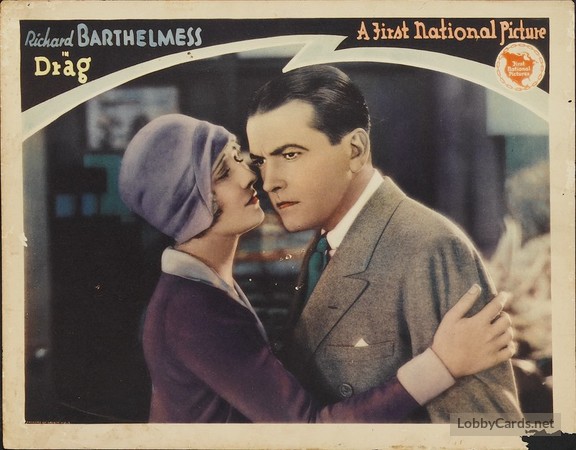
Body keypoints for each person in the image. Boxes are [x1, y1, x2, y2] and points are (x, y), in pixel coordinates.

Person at [119, 114, 514, 423]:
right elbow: (307, 429)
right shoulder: (194, 309)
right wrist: (442, 364)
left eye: (238, 156)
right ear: (187, 205)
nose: (250, 176)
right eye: (223, 173)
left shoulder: (201, 287)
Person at [246, 65, 523, 422]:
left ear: (355, 150)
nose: (270, 182)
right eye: (261, 161)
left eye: (290, 155)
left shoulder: (430, 247)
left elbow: (487, 430)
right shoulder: (324, 244)